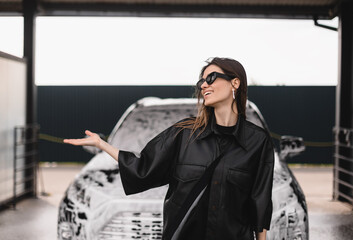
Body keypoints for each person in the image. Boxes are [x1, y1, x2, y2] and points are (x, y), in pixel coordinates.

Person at [64, 57, 275, 240]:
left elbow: (260, 203)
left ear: (234, 83)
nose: (203, 85)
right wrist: (102, 145)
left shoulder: (258, 142)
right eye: (201, 80)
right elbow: (142, 166)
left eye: (211, 78)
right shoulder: (184, 134)